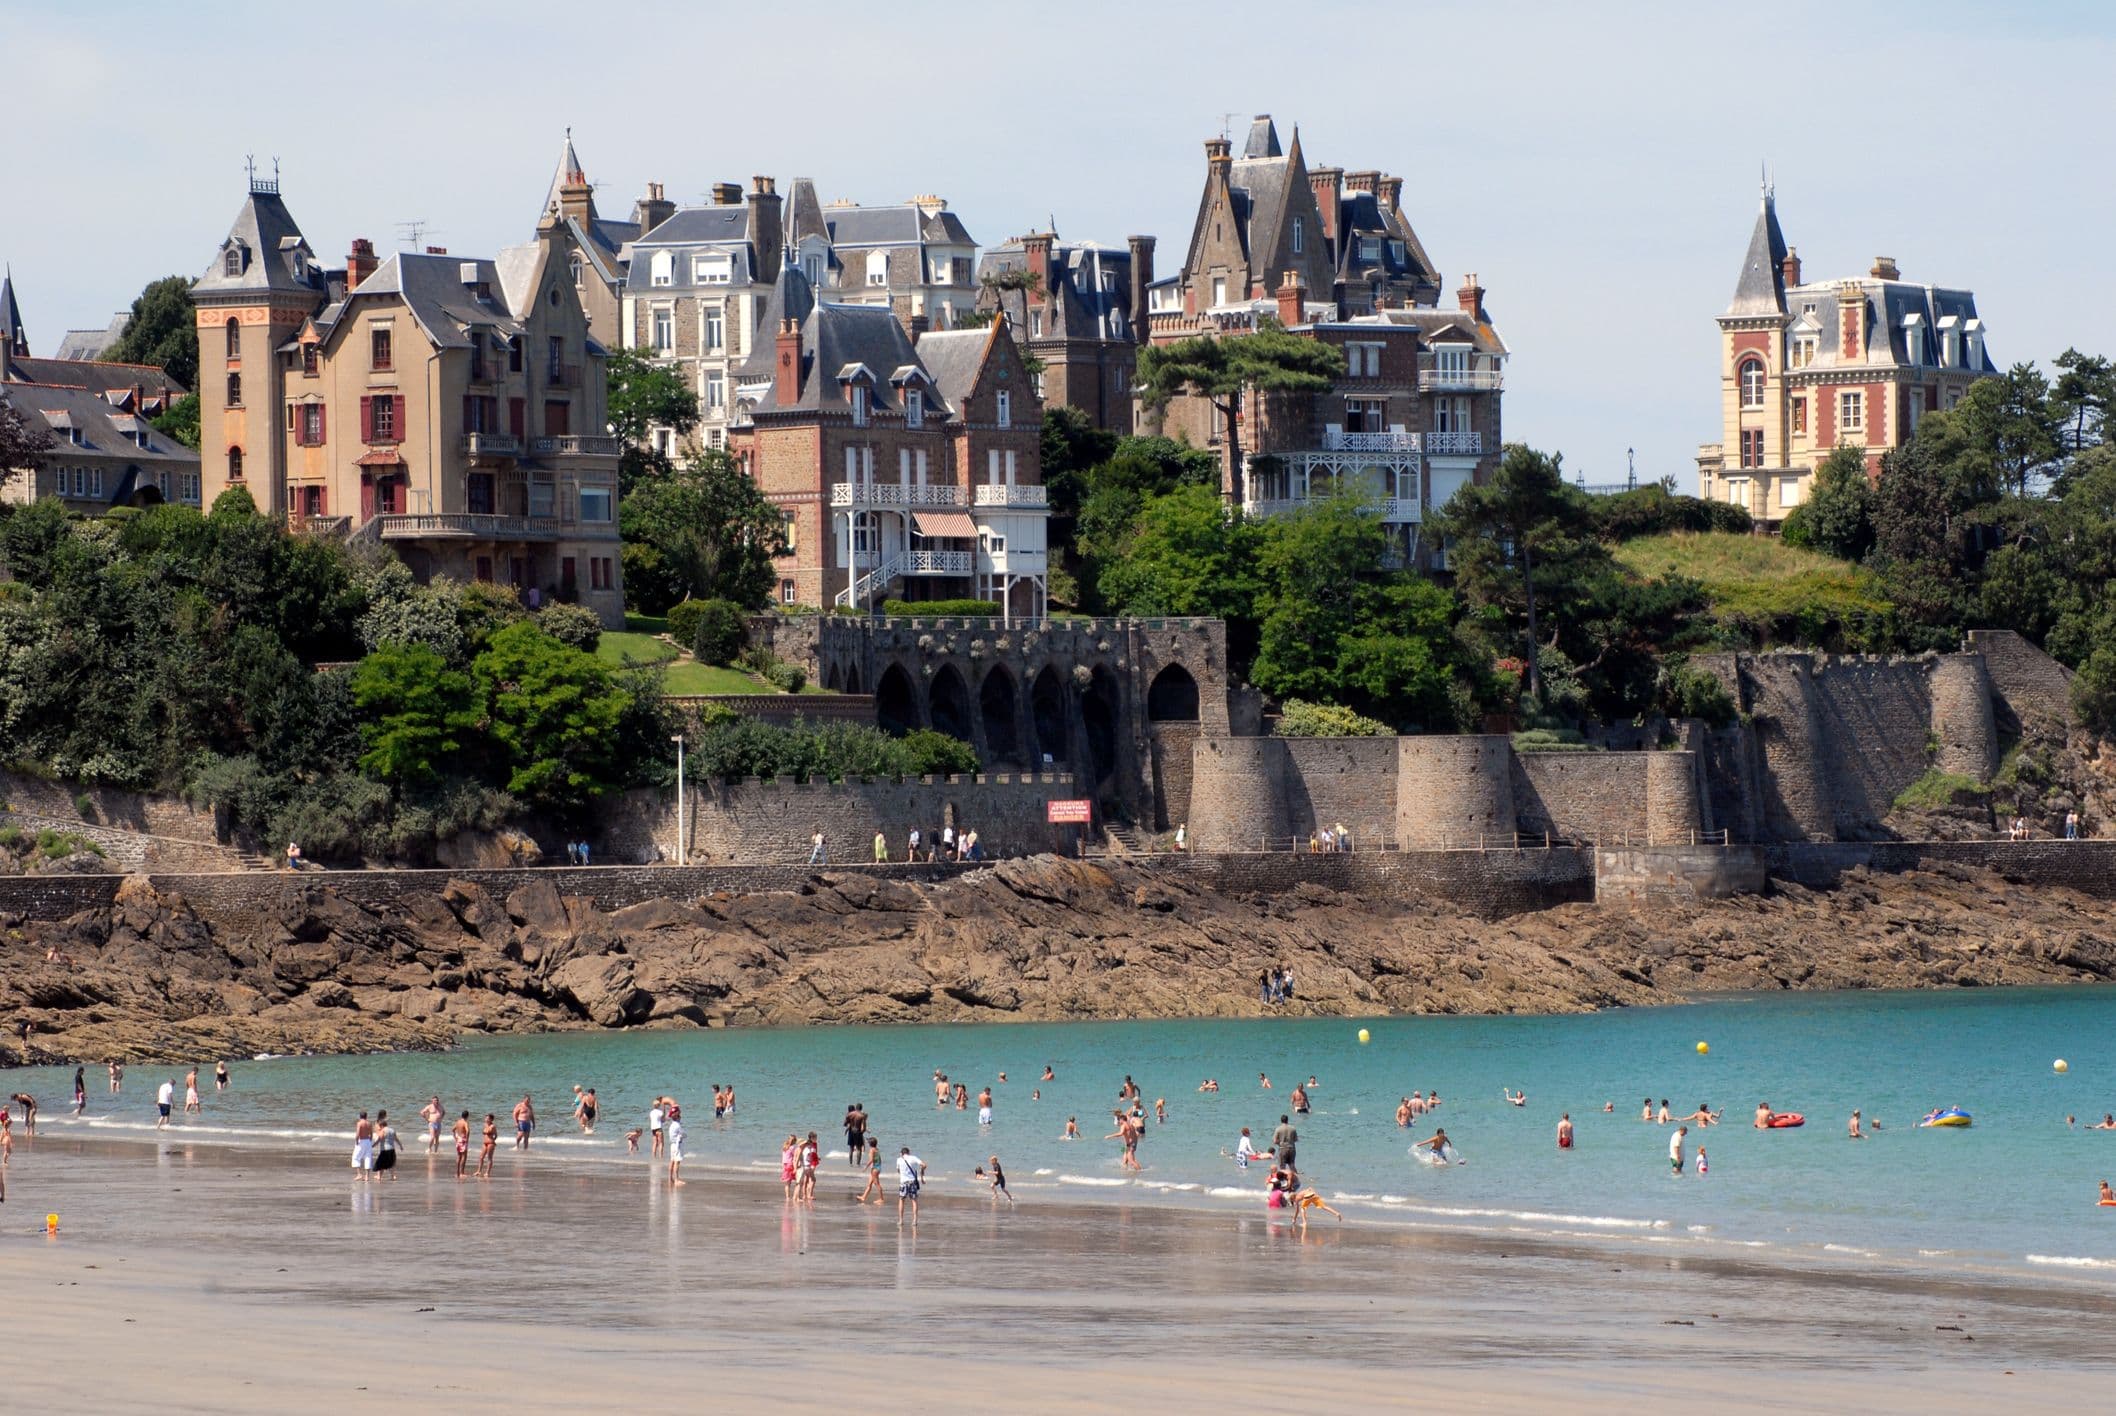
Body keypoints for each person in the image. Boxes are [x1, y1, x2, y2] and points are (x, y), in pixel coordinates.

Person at [896, 1146, 925, 1225]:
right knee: (914, 1201)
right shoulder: (913, 1158)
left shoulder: (899, 1159)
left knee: (901, 1200)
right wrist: (922, 1174)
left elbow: (898, 1171)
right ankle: (915, 1220)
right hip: (912, 1182)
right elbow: (924, 1165)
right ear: (909, 1152)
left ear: (901, 1153)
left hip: (903, 1183)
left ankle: (901, 1220)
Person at [373, 1111, 399, 1180]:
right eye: (386, 1114)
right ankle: (390, 1175)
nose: (387, 1115)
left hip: (381, 1137)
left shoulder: (379, 1122)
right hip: (381, 1137)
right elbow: (378, 1130)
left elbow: (377, 1130)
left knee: (381, 1158)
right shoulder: (380, 1122)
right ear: (383, 1115)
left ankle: (379, 1175)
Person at [665, 1106, 687, 1187]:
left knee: (672, 1161)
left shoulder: (672, 1125)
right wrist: (684, 1135)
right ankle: (676, 1180)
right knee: (677, 1162)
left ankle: (670, 1178)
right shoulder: (677, 1125)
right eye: (679, 1116)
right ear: (678, 1117)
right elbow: (683, 1134)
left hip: (672, 1145)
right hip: (677, 1145)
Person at [351, 1110, 374, 1178]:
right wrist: (370, 1139)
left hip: (361, 1141)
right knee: (368, 1157)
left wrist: (357, 1140)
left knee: (356, 1157)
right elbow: (371, 1133)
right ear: (366, 1116)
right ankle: (367, 1176)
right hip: (368, 1141)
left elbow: (358, 1133)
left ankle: (359, 1174)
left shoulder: (360, 1123)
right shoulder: (369, 1123)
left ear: (360, 1116)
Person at [845, 1102, 868, 1169]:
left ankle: (851, 1163)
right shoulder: (862, 1116)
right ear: (861, 1108)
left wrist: (849, 1126)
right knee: (859, 1149)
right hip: (858, 1132)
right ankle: (858, 1164)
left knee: (851, 1148)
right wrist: (862, 1132)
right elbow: (864, 1127)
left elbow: (845, 1123)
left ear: (856, 1107)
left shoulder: (850, 1114)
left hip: (851, 1131)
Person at [452, 1112, 471, 1181]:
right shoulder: (465, 1122)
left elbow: (452, 1129)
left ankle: (457, 1173)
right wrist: (467, 1139)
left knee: (459, 1156)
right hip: (463, 1139)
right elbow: (468, 1131)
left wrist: (455, 1137)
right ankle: (462, 1173)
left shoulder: (458, 1122)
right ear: (467, 1116)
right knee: (464, 1156)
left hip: (458, 1139)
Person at [478, 1114, 497, 1179]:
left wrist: (493, 1140)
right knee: (481, 1157)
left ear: (491, 1119)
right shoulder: (485, 1125)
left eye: (487, 1118)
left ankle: (487, 1172)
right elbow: (484, 1132)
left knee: (489, 1158)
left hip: (490, 1143)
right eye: (485, 1118)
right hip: (484, 1143)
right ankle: (479, 1171)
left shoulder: (492, 1126)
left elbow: (495, 1134)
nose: (486, 1119)